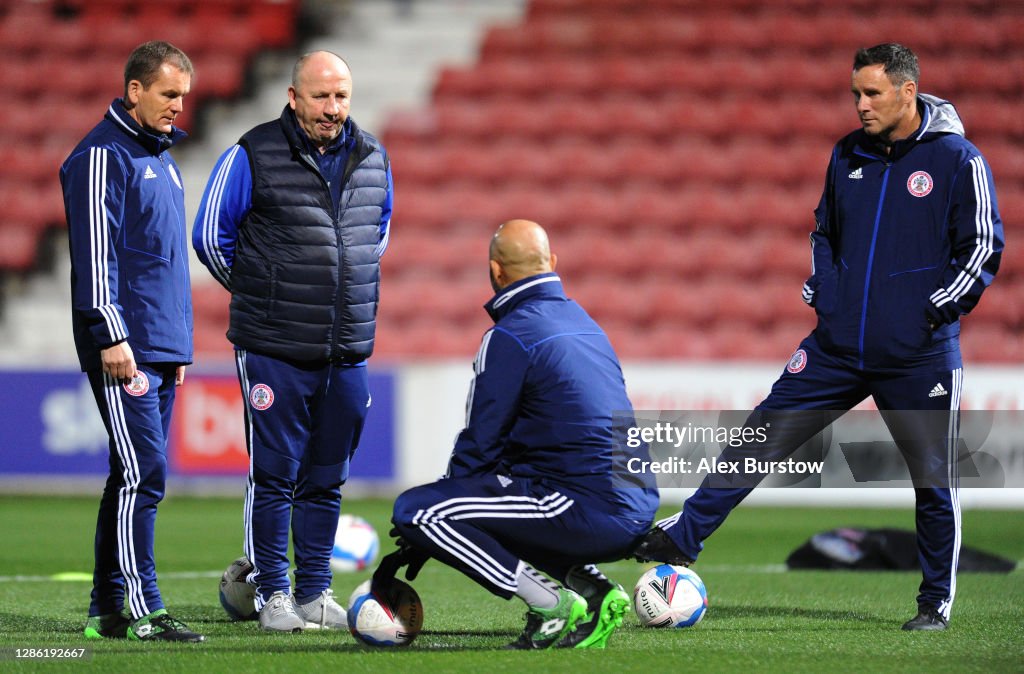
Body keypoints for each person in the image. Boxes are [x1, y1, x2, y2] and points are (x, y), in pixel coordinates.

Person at [633, 43, 1003, 632]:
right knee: (760, 433)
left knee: (935, 478)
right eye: (855, 92)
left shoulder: (959, 160)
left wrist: (929, 314)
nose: (860, 104)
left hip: (919, 355)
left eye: (872, 93)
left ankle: (935, 603)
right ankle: (685, 537)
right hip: (836, 347)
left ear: (908, 91)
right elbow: (823, 234)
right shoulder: (847, 154)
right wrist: (827, 293)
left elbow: (983, 248)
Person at [375, 219, 659, 649]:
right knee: (501, 496)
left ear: (496, 271)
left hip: (586, 505)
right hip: (632, 502)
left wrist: (435, 523)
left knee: (418, 512)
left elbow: (481, 443)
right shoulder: (586, 324)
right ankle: (595, 593)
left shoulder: (510, 336)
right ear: (553, 262)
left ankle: (551, 605)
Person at [192, 50, 393, 632]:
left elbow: (376, 237)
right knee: (274, 472)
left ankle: (312, 591)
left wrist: (335, 295)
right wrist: (267, 295)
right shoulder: (251, 153)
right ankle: (273, 593)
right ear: (293, 96)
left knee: (327, 475)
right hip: (273, 345)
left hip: (347, 347)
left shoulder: (374, 156)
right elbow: (210, 236)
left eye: (341, 97)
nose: (333, 109)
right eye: (321, 97)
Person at [60, 41, 203, 643]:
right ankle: (145, 609)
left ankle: (106, 609)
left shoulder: (163, 158)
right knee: (145, 474)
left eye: (184, 97)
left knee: (129, 474)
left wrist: (179, 348)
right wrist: (111, 336)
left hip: (159, 346)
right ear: (135, 89)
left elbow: (163, 265)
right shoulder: (102, 156)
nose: (178, 107)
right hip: (126, 347)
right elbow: (96, 256)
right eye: (169, 94)